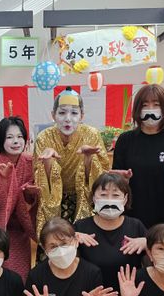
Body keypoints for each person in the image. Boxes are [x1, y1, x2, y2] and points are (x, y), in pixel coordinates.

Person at [113, 84, 164, 228]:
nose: (150, 109)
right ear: (137, 109)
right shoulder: (125, 140)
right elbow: (118, 181)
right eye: (145, 105)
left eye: (156, 104)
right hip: (131, 214)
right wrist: (123, 181)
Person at [33, 88, 109, 238]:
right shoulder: (44, 137)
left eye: (74, 113)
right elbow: (40, 180)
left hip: (84, 198)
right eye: (62, 113)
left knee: (84, 243)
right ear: (53, 115)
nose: (68, 119)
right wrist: (48, 162)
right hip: (54, 199)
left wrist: (88, 159)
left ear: (82, 116)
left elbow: (102, 174)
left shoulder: (91, 134)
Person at [0, 116, 39, 280]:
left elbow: (37, 191)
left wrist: (31, 193)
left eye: (19, 136)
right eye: (9, 137)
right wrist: (3, 180)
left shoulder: (30, 161)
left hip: (20, 230)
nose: (16, 141)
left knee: (20, 276)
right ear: (0, 140)